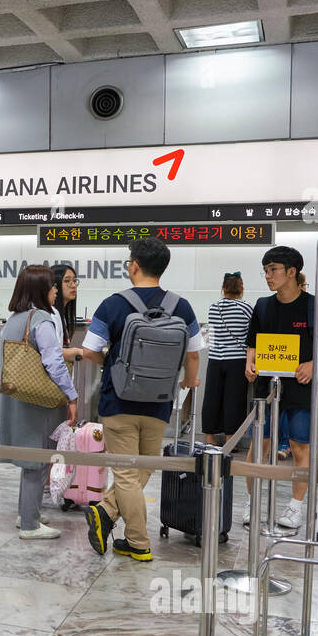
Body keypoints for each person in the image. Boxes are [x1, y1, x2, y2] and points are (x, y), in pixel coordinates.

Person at [81, 237, 202, 561]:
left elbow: (91, 350)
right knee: (143, 468)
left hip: (118, 402)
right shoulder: (182, 306)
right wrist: (188, 382)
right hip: (160, 403)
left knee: (126, 473)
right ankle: (109, 516)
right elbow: (193, 356)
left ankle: (135, 539)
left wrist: (111, 363)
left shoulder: (113, 304)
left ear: (134, 265)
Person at [0, 266, 78, 540]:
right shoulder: (41, 319)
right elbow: (54, 362)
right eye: (53, 285)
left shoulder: (14, 319)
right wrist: (72, 394)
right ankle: (30, 524)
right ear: (41, 289)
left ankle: (27, 512)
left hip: (17, 396)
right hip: (39, 401)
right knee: (38, 457)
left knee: (30, 458)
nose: (56, 289)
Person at [243, 246, 315, 529]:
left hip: (300, 387)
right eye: (266, 270)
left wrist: (312, 364)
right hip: (266, 387)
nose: (267, 276)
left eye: (273, 270)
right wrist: (249, 363)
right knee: (260, 444)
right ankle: (253, 501)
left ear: (292, 272)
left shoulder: (313, 306)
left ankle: (295, 507)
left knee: (299, 447)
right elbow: (253, 343)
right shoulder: (262, 305)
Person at [202, 272, 253, 444]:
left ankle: (209, 437)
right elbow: (250, 336)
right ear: (242, 288)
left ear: (223, 288)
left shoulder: (213, 307)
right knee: (234, 400)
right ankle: (230, 439)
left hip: (215, 359)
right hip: (237, 360)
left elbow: (212, 337)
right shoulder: (246, 308)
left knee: (212, 397)